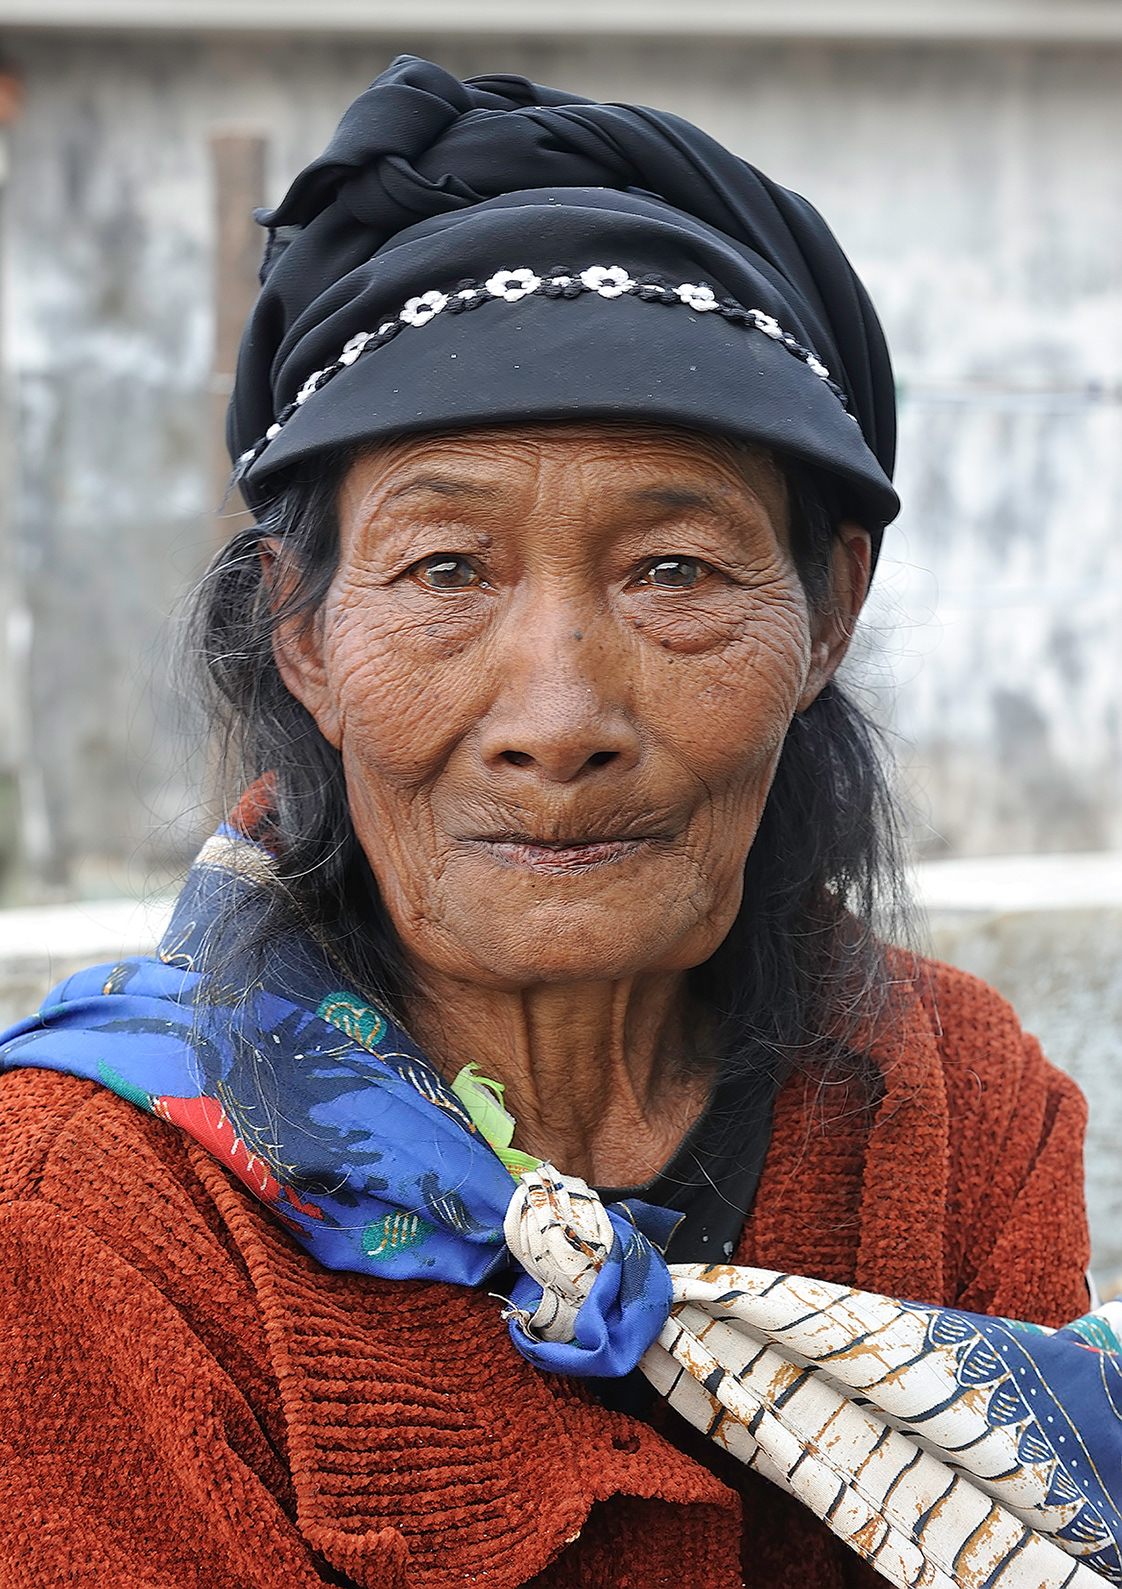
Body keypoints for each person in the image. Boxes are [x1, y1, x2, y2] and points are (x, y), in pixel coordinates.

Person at [0, 57, 1090, 1589]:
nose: (560, 717)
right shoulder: (89, 1216)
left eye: (675, 571)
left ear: (830, 610)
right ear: (302, 634)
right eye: (447, 569)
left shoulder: (953, 1108)